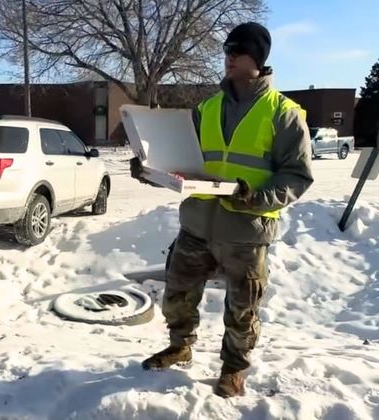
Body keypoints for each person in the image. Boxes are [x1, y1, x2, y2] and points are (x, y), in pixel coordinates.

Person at [132, 22, 314, 398]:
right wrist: (150, 166)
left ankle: (234, 369)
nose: (229, 56)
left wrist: (257, 198)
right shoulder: (206, 109)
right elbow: (182, 160)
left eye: (238, 50)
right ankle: (180, 346)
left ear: (258, 59)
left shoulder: (284, 113)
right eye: (227, 50)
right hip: (198, 222)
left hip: (246, 231)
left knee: (242, 307)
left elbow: (297, 176)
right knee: (178, 293)